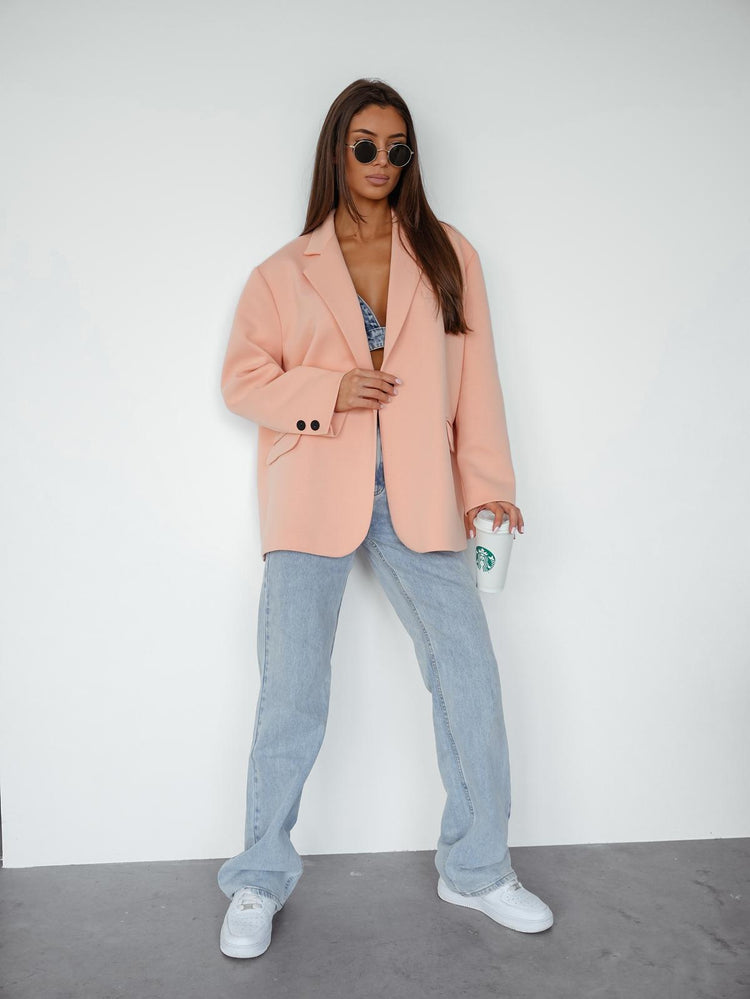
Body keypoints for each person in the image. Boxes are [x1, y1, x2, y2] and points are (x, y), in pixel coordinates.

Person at [217, 78, 553, 959]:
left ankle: (476, 868)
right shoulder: (283, 271)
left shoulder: (448, 253)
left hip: (420, 487)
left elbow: (477, 379)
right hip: (310, 487)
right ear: (338, 149)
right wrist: (328, 389)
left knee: (469, 674)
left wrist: (487, 485)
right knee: (292, 690)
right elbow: (242, 380)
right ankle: (258, 877)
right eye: (364, 145)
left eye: (396, 148)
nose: (380, 161)